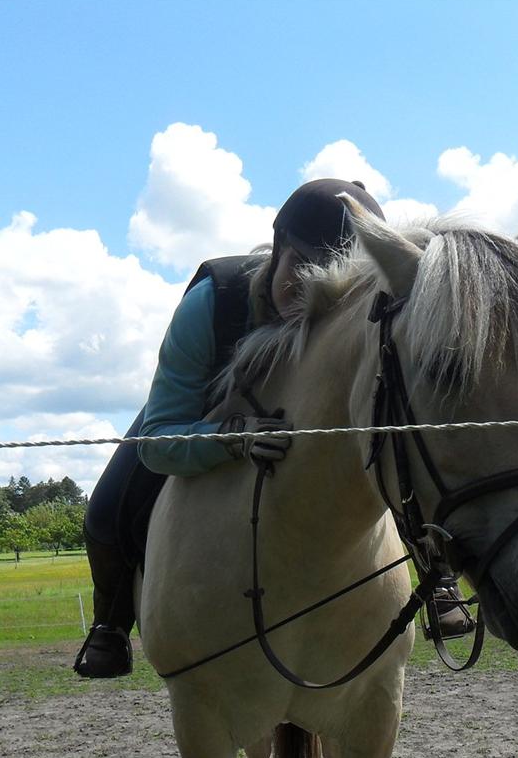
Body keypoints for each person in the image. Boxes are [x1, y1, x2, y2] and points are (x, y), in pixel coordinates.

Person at [73, 179, 474, 679]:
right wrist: (231, 437)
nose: (308, 287)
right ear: (278, 246)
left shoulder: (362, 312)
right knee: (107, 506)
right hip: (201, 413)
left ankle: (438, 578)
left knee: (399, 452)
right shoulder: (213, 300)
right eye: (299, 266)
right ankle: (111, 623)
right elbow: (159, 441)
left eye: (331, 274)